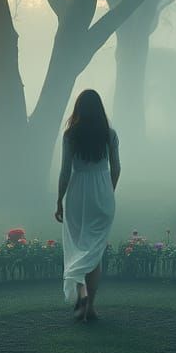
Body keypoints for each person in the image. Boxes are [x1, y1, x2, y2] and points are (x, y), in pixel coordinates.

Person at [54, 89, 120, 322]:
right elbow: (117, 168)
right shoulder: (109, 134)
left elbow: (65, 172)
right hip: (102, 193)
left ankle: (81, 301)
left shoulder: (71, 135)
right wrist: (107, 192)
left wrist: (59, 201)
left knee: (80, 247)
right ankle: (90, 306)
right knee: (95, 251)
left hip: (78, 194)